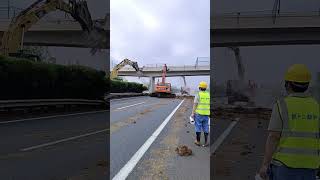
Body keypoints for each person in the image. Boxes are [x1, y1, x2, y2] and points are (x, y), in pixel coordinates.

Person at [258, 64, 320, 180]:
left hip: (284, 166)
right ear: (307, 85)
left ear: (287, 84)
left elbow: (273, 137)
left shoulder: (281, 105)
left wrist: (265, 164)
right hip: (310, 167)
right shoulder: (316, 106)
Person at [191, 81, 210, 147]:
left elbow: (195, 105)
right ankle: (206, 142)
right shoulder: (208, 94)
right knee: (206, 127)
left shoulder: (198, 94)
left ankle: (198, 141)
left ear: (199, 87)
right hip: (207, 114)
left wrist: (192, 114)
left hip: (199, 114)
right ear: (205, 88)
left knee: (198, 127)